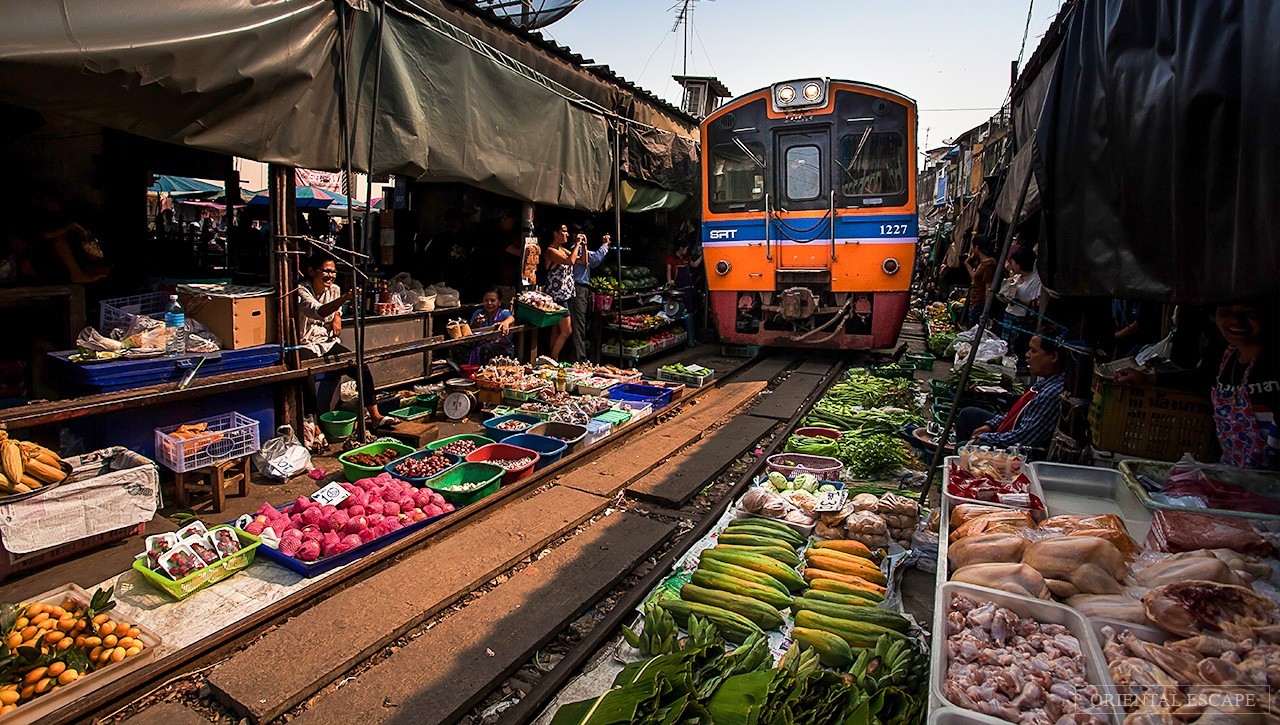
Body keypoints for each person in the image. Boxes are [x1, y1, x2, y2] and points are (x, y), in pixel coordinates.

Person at [1116, 303, 1277, 470]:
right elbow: (1199, 379)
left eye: (1249, 313)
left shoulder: (1273, 360)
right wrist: (1148, 379)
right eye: (1226, 312)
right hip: (1234, 471)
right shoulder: (1222, 353)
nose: (1236, 321)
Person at [296, 251, 389, 426]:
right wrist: (344, 299)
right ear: (311, 271)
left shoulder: (334, 289)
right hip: (305, 344)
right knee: (307, 378)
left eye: (333, 272)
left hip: (326, 342)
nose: (330, 276)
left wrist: (338, 316)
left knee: (361, 366)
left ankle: (375, 416)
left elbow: (334, 312)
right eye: (326, 271)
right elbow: (320, 311)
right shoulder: (301, 290)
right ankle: (314, 427)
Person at [955, 336, 1067, 451]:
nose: (1027, 355)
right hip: (1017, 428)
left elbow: (1023, 437)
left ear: (1053, 357)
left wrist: (984, 438)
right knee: (968, 415)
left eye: (1034, 351)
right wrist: (990, 425)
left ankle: (967, 458)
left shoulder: (1052, 392)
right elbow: (1014, 415)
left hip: (1021, 449)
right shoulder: (1045, 381)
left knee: (964, 447)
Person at [997, 245, 1042, 366]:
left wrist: (1019, 300)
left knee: (1017, 351)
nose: (1011, 266)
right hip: (1009, 317)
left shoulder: (1036, 281)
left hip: (1022, 320)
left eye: (1013, 263)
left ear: (1020, 264)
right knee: (1006, 350)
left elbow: (1039, 303)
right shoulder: (1016, 278)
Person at [570, 231, 610, 360]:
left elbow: (593, 262)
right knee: (578, 323)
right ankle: (579, 357)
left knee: (582, 322)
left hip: (584, 289)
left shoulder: (583, 250)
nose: (582, 239)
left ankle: (577, 355)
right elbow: (594, 258)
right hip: (578, 288)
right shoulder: (575, 250)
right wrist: (605, 245)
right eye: (579, 237)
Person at [542, 225, 578, 359]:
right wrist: (577, 244)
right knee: (566, 330)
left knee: (556, 330)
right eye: (563, 231)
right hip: (557, 295)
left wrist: (583, 246)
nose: (567, 234)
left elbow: (582, 260)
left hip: (566, 293)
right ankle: (553, 357)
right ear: (555, 233)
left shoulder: (563, 250)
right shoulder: (551, 251)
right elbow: (570, 261)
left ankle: (552, 358)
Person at [666, 239, 704, 345]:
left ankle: (692, 338)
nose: (687, 251)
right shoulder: (671, 259)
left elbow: (695, 265)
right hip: (680, 291)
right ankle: (689, 339)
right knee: (685, 313)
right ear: (681, 248)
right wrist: (670, 281)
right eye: (686, 248)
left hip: (689, 290)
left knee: (692, 313)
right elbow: (669, 274)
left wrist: (704, 255)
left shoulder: (686, 259)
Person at [466, 287, 516, 364]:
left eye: (493, 300)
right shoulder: (478, 313)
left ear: (499, 302)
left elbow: (511, 318)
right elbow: (470, 332)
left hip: (502, 348)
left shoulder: (504, 313)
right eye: (486, 300)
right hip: (478, 347)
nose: (489, 303)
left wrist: (505, 322)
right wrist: (476, 324)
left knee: (486, 349)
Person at [964, 235, 997, 328]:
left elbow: (988, 288)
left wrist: (986, 310)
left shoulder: (989, 265)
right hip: (975, 302)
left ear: (977, 247)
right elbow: (975, 277)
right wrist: (967, 264)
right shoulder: (982, 263)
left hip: (979, 304)